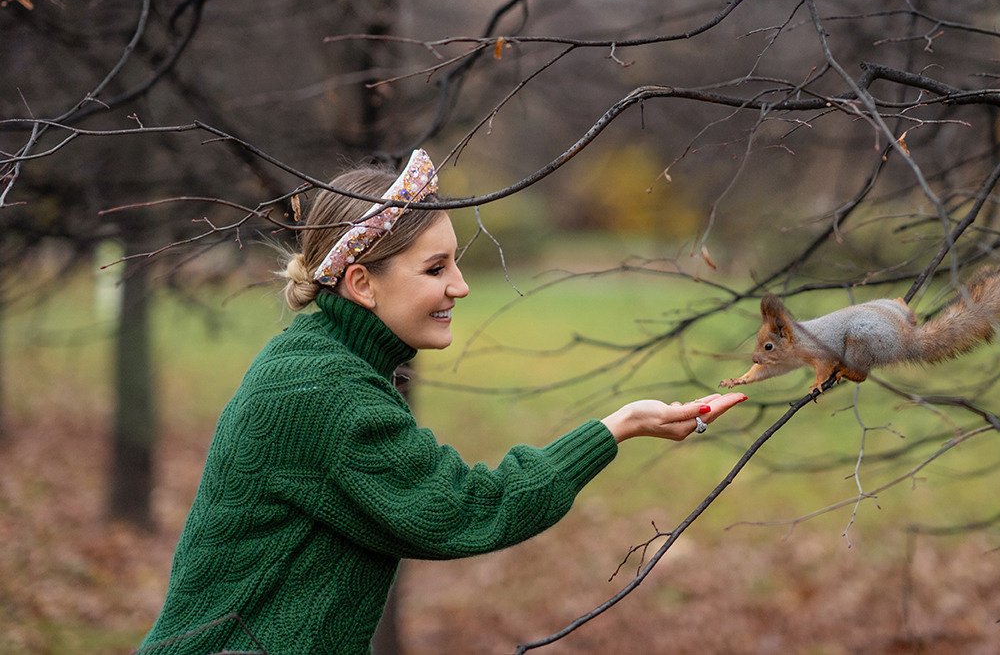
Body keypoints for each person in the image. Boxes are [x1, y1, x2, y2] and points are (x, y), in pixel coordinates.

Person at [137, 150, 746, 654]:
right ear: (362, 284)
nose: (460, 285)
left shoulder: (327, 363)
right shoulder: (323, 391)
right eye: (435, 268)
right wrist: (617, 427)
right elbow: (465, 509)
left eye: (455, 262)